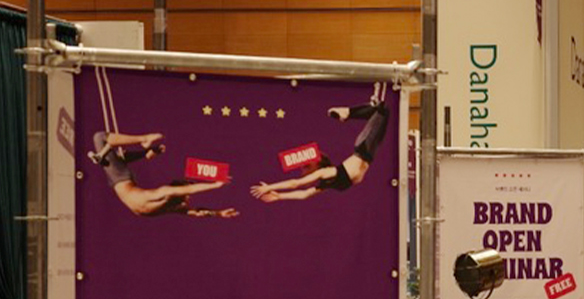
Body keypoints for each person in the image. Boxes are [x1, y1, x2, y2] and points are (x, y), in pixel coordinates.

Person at [250, 84, 389, 203]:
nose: (305, 175)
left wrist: (269, 187)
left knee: (382, 110)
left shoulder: (325, 172)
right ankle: (359, 109)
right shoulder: (326, 182)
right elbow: (304, 194)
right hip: (369, 152)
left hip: (363, 148)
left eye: (306, 169)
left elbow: (295, 183)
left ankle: (348, 112)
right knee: (380, 111)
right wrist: (279, 196)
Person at [91, 131, 237, 218]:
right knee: (100, 138)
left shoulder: (171, 205)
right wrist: (215, 185)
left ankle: (146, 152)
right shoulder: (163, 192)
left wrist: (218, 214)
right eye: (186, 195)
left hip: (120, 180)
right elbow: (190, 189)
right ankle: (144, 139)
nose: (188, 198)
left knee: (107, 146)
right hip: (121, 178)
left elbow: (197, 212)